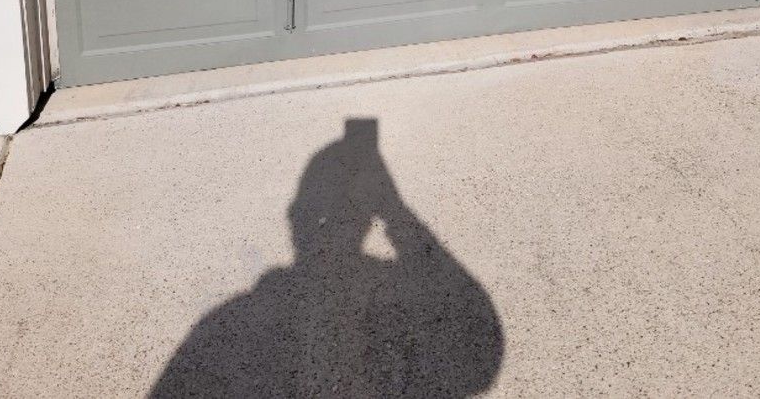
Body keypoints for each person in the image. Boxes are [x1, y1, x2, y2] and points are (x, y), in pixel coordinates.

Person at [150, 117, 504, 397]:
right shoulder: (231, 319)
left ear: (293, 217)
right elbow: (474, 335)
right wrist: (394, 210)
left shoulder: (227, 320)